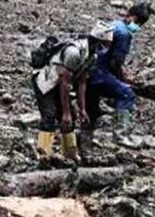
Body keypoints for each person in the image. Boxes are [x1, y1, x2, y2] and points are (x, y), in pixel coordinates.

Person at [31, 22, 113, 162]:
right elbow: (64, 82)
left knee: (71, 119)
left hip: (60, 82)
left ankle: (69, 154)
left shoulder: (91, 56)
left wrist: (82, 109)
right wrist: (66, 112)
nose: (105, 48)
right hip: (46, 80)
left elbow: (81, 81)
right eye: (104, 44)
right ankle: (43, 155)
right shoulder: (74, 52)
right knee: (50, 116)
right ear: (98, 41)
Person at [81, 2, 152, 153]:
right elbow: (115, 63)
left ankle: (84, 143)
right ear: (133, 17)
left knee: (91, 109)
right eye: (139, 22)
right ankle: (120, 136)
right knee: (127, 94)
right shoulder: (125, 34)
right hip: (100, 73)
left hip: (86, 71)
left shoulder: (112, 24)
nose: (138, 26)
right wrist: (123, 81)